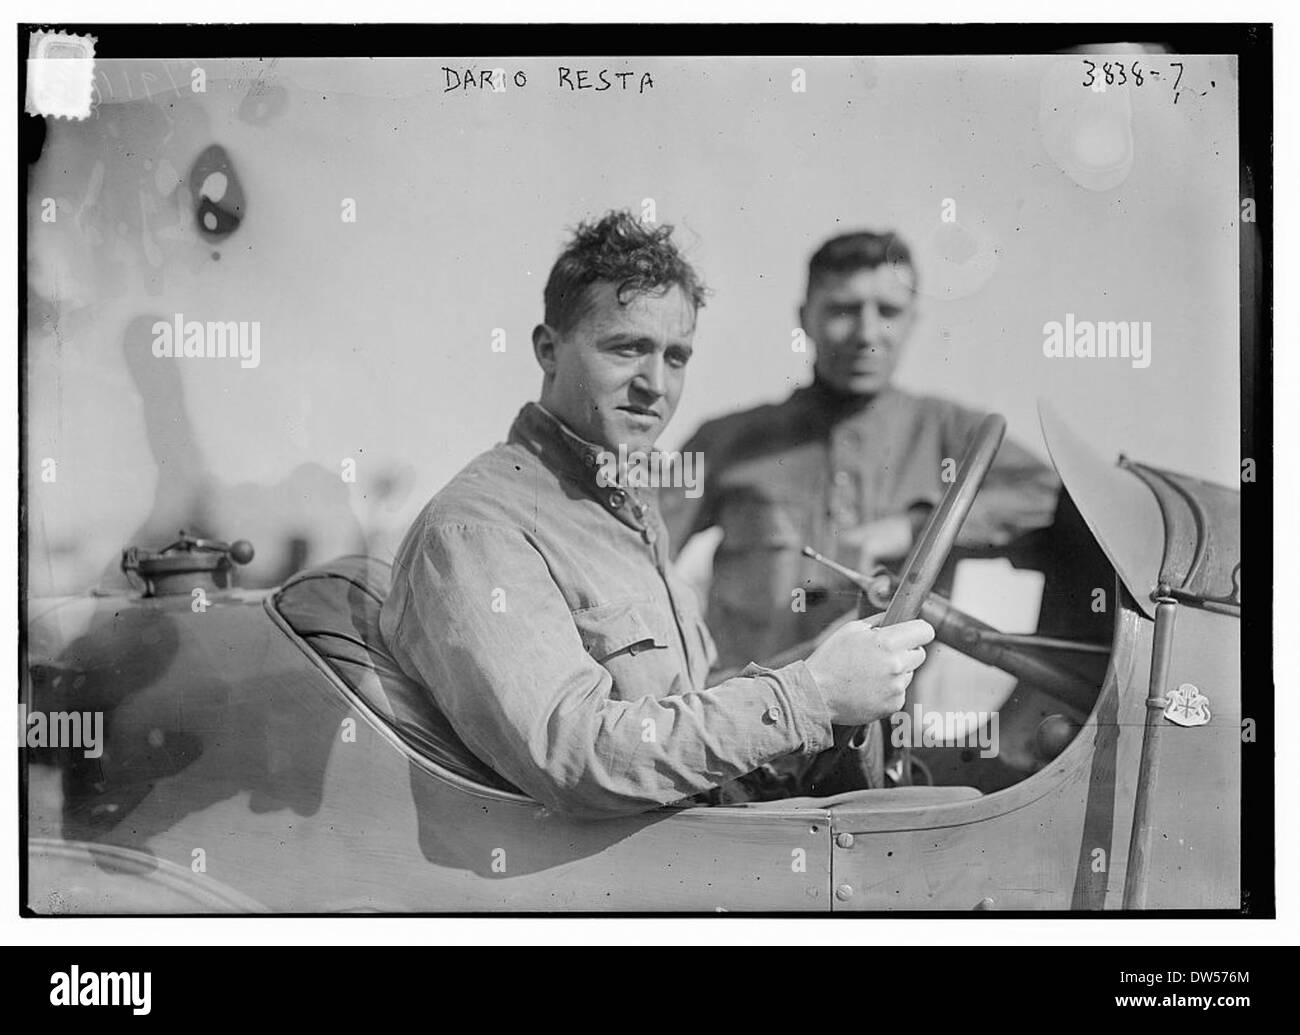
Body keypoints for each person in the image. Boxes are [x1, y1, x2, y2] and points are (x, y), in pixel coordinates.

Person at [380, 212, 934, 818]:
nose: (655, 384)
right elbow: (577, 752)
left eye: (676, 357)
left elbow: (678, 705)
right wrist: (813, 694)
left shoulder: (623, 509)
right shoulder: (479, 530)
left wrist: (820, 662)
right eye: (627, 348)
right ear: (548, 349)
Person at [661, 230, 1061, 673]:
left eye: (888, 311)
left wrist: (913, 529)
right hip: (744, 717)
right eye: (842, 310)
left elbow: (1049, 497)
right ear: (805, 318)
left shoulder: (949, 431)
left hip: (887, 730)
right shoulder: (728, 440)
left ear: (912, 320)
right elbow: (637, 549)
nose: (866, 332)